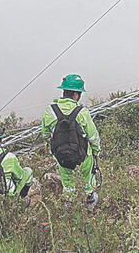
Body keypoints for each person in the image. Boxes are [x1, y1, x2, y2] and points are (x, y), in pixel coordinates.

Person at [41, 74, 101, 209]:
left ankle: (68, 209)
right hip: (84, 156)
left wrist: (53, 150)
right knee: (88, 183)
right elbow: (93, 137)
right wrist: (96, 152)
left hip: (62, 157)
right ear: (76, 94)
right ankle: (89, 208)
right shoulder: (82, 112)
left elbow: (45, 135)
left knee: (68, 184)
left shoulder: (50, 111)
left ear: (63, 91)